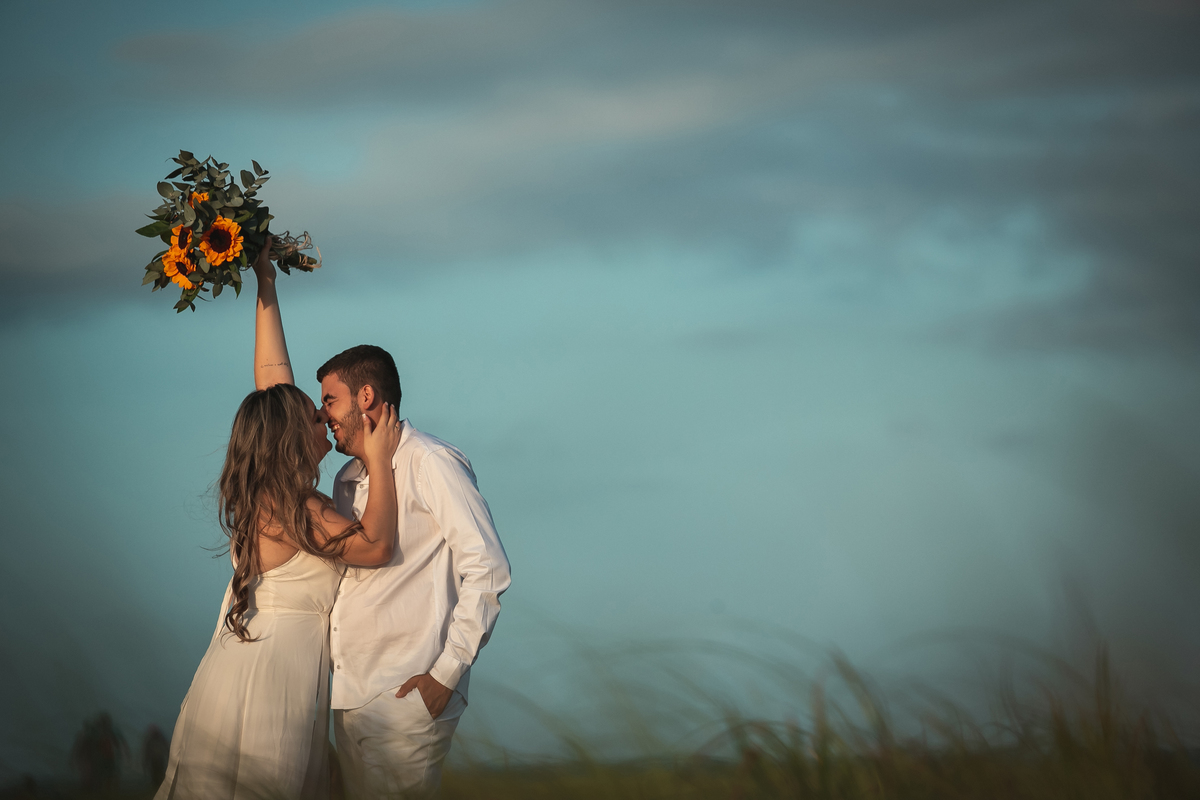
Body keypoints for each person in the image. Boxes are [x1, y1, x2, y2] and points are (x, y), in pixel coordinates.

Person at [253, 241, 512, 799]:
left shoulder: (430, 462)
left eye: (329, 400)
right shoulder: (348, 479)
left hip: (406, 692)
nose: (322, 415)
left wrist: (444, 678)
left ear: (365, 396)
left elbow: (487, 570)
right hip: (348, 692)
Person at [153, 241, 404, 800]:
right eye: (316, 417)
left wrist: (265, 280)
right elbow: (379, 545)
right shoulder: (297, 510)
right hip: (271, 682)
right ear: (294, 437)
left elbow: (271, 376)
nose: (325, 419)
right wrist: (381, 462)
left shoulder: (268, 490)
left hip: (254, 663)